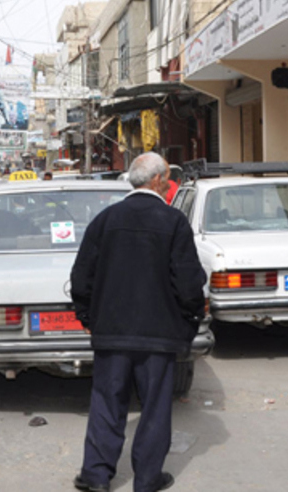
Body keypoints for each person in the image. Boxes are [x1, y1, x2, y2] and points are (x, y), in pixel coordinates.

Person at [70, 152, 206, 492]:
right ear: (158, 180)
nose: (168, 184)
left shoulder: (105, 220)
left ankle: (96, 475)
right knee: (155, 406)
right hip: (159, 334)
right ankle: (147, 479)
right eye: (167, 178)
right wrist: (191, 318)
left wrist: (87, 316)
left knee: (106, 402)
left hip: (111, 331)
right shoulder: (173, 221)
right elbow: (188, 282)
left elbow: (81, 277)